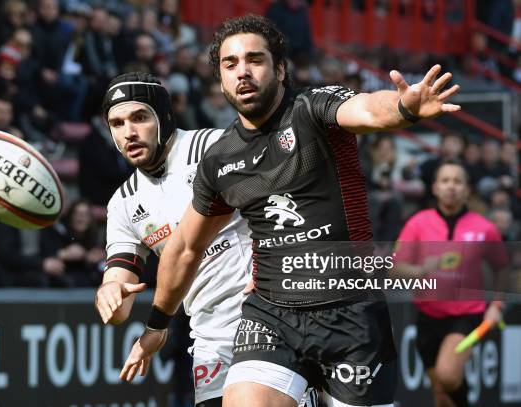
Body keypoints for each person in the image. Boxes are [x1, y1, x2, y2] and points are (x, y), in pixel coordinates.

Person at [120, 15, 462, 407]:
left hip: (350, 312)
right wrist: (157, 325)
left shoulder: (313, 109)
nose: (242, 72)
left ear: (280, 68)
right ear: (219, 78)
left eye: (255, 60)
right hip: (272, 315)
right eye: (229, 65)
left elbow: (367, 110)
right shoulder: (220, 161)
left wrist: (403, 107)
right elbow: (184, 249)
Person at [94, 72, 254, 407]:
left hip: (269, 318)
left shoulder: (214, 146)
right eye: (117, 123)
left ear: (164, 117)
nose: (129, 133)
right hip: (211, 340)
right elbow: (120, 300)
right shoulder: (124, 202)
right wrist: (110, 292)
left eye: (139, 118)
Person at [395, 161, 508, 407]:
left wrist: (496, 305)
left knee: (447, 375)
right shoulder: (418, 223)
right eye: (445, 181)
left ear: (467, 189)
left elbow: (502, 267)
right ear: (435, 187)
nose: (451, 187)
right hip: (427, 316)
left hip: (466, 317)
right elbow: (396, 268)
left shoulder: (485, 228)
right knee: (441, 394)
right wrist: (421, 269)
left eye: (458, 181)